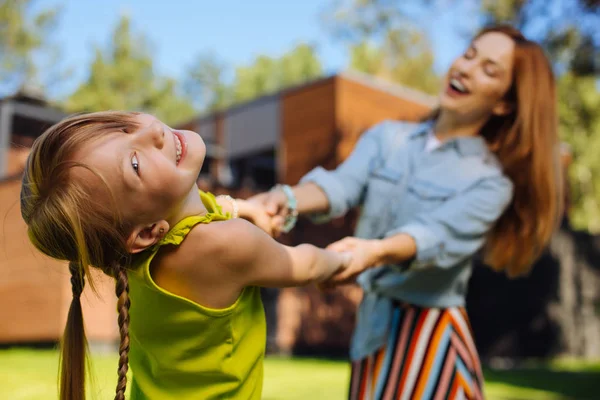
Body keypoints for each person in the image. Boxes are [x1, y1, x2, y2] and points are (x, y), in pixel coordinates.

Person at [251, 25, 561, 399]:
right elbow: (342, 185)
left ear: (504, 104)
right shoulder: (388, 137)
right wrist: (284, 198)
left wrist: (374, 251)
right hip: (372, 334)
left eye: (488, 69)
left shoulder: (490, 183)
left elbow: (434, 236)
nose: (465, 68)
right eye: (469, 54)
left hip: (432, 346)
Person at [20, 111, 352, 400]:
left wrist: (247, 208)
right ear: (148, 232)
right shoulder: (227, 245)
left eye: (122, 127)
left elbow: (208, 206)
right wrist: (343, 259)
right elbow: (305, 265)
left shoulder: (130, 256)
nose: (155, 131)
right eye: (135, 164)